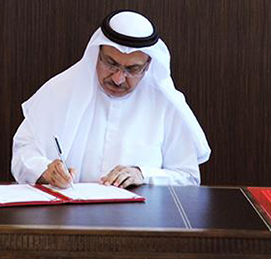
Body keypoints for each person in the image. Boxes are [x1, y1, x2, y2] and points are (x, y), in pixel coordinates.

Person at [11, 10, 210, 188]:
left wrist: (144, 175)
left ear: (148, 65)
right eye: (111, 63)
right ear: (97, 54)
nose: (118, 78)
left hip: (139, 217)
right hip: (68, 213)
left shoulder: (166, 104)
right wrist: (45, 170)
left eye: (132, 69)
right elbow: (23, 152)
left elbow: (188, 178)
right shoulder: (59, 91)